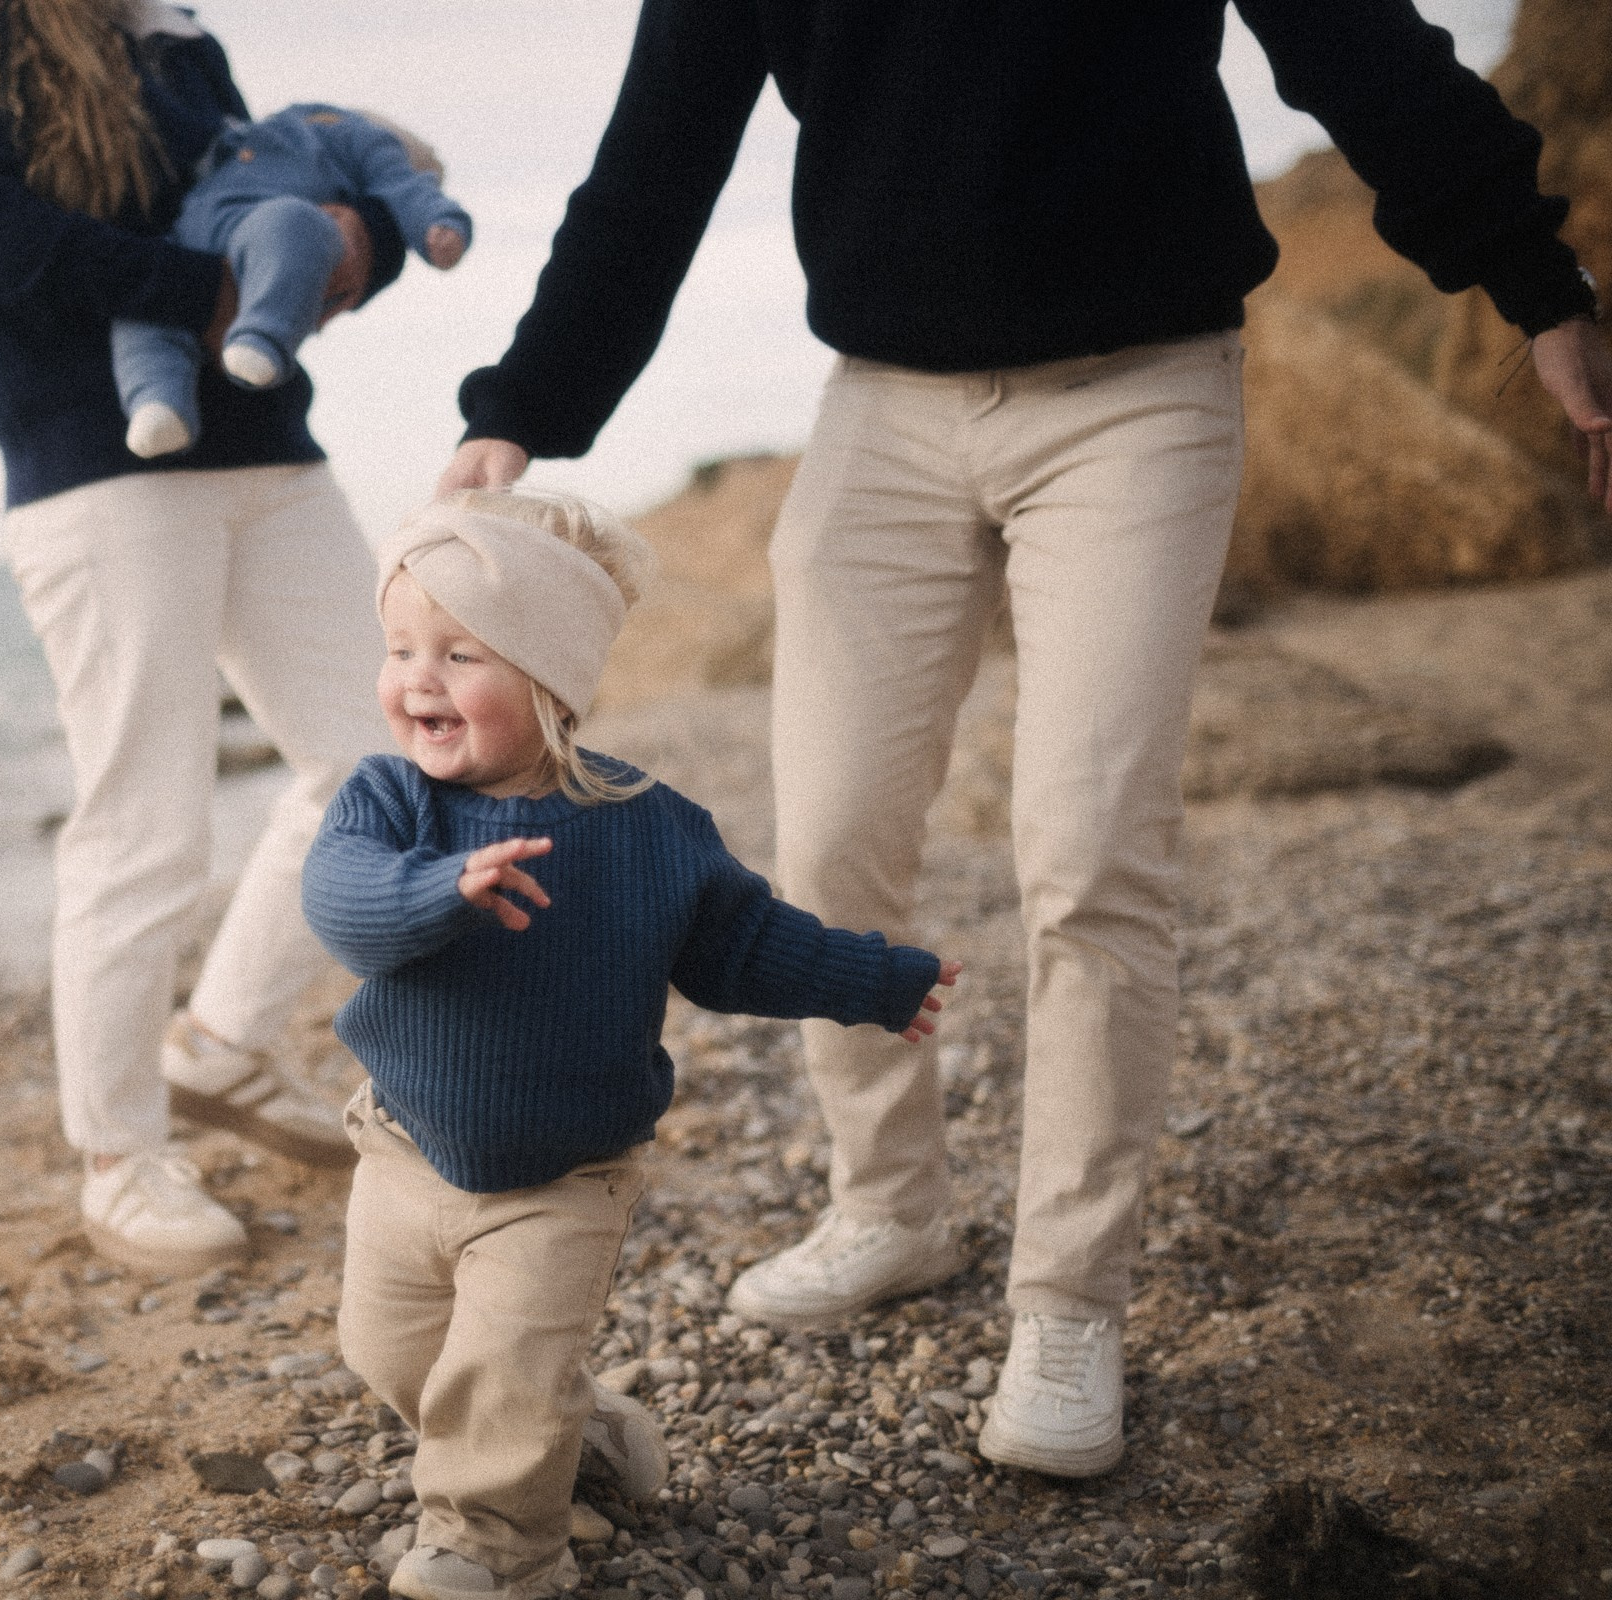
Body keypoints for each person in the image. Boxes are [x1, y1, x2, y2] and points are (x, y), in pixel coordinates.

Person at [437, 0, 1612, 1479]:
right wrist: (523, 409)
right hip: (883, 413)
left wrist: (1537, 282)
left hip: (1139, 395)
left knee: (1091, 853)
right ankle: (890, 1206)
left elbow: (1352, 39)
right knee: (829, 843)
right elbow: (656, 158)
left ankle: (1068, 1303)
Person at [304, 489, 959, 1600]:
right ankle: (586, 1424)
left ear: (551, 679)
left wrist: (873, 978)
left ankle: (499, 1547)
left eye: (460, 652)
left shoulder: (647, 826)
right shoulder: (389, 804)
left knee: (503, 1374)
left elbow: (743, 945)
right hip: (404, 1149)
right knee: (390, 1352)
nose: (418, 676)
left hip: (562, 1183)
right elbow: (343, 902)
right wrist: (443, 890)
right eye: (402, 646)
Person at [0, 0, 394, 1277]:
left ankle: (222, 1042)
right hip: (96, 467)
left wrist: (365, 241)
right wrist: (206, 289)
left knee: (384, 762)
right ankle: (119, 1157)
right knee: (146, 823)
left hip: (270, 456)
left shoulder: (178, 36)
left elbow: (257, 184)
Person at [115, 103, 472, 458]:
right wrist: (437, 219)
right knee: (139, 308)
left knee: (295, 225)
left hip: (249, 228)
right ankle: (156, 403)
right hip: (184, 241)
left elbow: (407, 193)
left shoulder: (253, 119)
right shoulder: (361, 138)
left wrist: (432, 224)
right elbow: (407, 188)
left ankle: (258, 341)